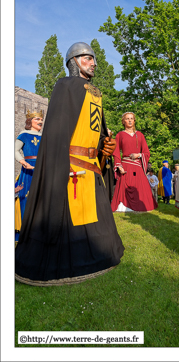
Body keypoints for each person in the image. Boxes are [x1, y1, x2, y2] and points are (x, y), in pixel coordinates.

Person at [15, 42, 124, 286]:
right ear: (74, 61)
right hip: (72, 166)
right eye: (87, 58)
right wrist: (60, 166)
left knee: (94, 217)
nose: (93, 63)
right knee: (68, 217)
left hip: (91, 166)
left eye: (93, 59)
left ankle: (100, 256)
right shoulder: (64, 87)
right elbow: (59, 131)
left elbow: (93, 131)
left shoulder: (95, 93)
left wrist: (104, 145)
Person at [111, 112, 158, 212]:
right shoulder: (120, 135)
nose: (130, 120)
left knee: (141, 186)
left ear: (134, 120)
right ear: (123, 121)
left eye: (131, 118)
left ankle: (143, 206)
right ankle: (123, 207)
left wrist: (138, 155)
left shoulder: (140, 135)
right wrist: (119, 166)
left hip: (137, 166)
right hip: (125, 166)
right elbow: (116, 152)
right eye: (127, 119)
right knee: (124, 185)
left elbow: (146, 152)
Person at [14, 110, 44, 243]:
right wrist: (23, 162)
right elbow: (14, 150)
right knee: (26, 197)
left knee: (42, 198)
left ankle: (40, 230)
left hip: (42, 168)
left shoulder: (45, 136)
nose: (40, 121)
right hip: (28, 170)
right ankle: (25, 231)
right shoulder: (24, 134)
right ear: (29, 121)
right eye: (37, 119)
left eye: (41, 119)